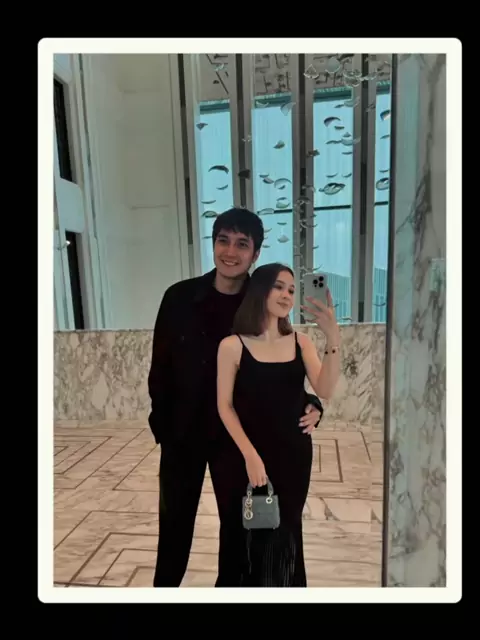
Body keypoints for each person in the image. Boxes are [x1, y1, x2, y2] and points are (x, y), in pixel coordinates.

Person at [147, 208, 324, 587]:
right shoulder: (179, 297)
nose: (230, 251)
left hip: (236, 441)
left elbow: (281, 364)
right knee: (174, 526)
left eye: (242, 244)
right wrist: (163, 427)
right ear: (213, 244)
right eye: (223, 240)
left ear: (255, 254)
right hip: (183, 435)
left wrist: (313, 402)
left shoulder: (259, 303)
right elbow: (159, 367)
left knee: (237, 529)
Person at [216, 262, 341, 587]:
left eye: (291, 289)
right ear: (260, 290)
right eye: (279, 286)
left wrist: (333, 336)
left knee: (286, 530)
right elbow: (224, 406)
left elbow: (325, 389)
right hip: (245, 456)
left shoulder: (301, 342)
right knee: (247, 534)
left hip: (293, 457)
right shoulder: (232, 346)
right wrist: (250, 456)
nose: (287, 295)